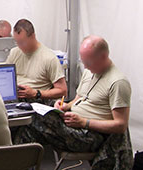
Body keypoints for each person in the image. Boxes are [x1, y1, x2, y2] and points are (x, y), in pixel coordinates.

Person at [15, 35, 133, 169]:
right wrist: (65, 105)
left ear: (104, 57)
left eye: (89, 62)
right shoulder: (90, 72)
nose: (86, 67)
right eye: (84, 62)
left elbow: (120, 125)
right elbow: (79, 99)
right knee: (27, 129)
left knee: (32, 118)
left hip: (90, 135)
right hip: (74, 124)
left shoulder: (118, 83)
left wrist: (84, 122)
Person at [6, 19, 67, 104]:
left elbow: (62, 90)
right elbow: (7, 78)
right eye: (17, 42)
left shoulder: (49, 58)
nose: (20, 46)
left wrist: (36, 93)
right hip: (13, 98)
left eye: (23, 42)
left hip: (35, 101)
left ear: (33, 36)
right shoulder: (14, 53)